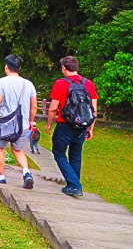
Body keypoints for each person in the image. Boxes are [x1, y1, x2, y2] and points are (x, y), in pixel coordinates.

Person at [46, 56, 98, 197]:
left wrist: (49, 123)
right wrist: (91, 128)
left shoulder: (61, 84)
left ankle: (75, 185)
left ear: (64, 68)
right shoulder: (89, 84)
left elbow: (53, 108)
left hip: (65, 124)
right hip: (82, 126)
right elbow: (94, 109)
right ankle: (73, 184)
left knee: (59, 153)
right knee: (75, 154)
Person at [0, 54, 37, 188]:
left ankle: (1, 177)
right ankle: (26, 172)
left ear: (6, 67)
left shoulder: (1, 82)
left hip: (4, 124)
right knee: (18, 150)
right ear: (19, 68)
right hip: (23, 124)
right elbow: (34, 106)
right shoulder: (29, 84)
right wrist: (31, 121)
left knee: (0, 149)